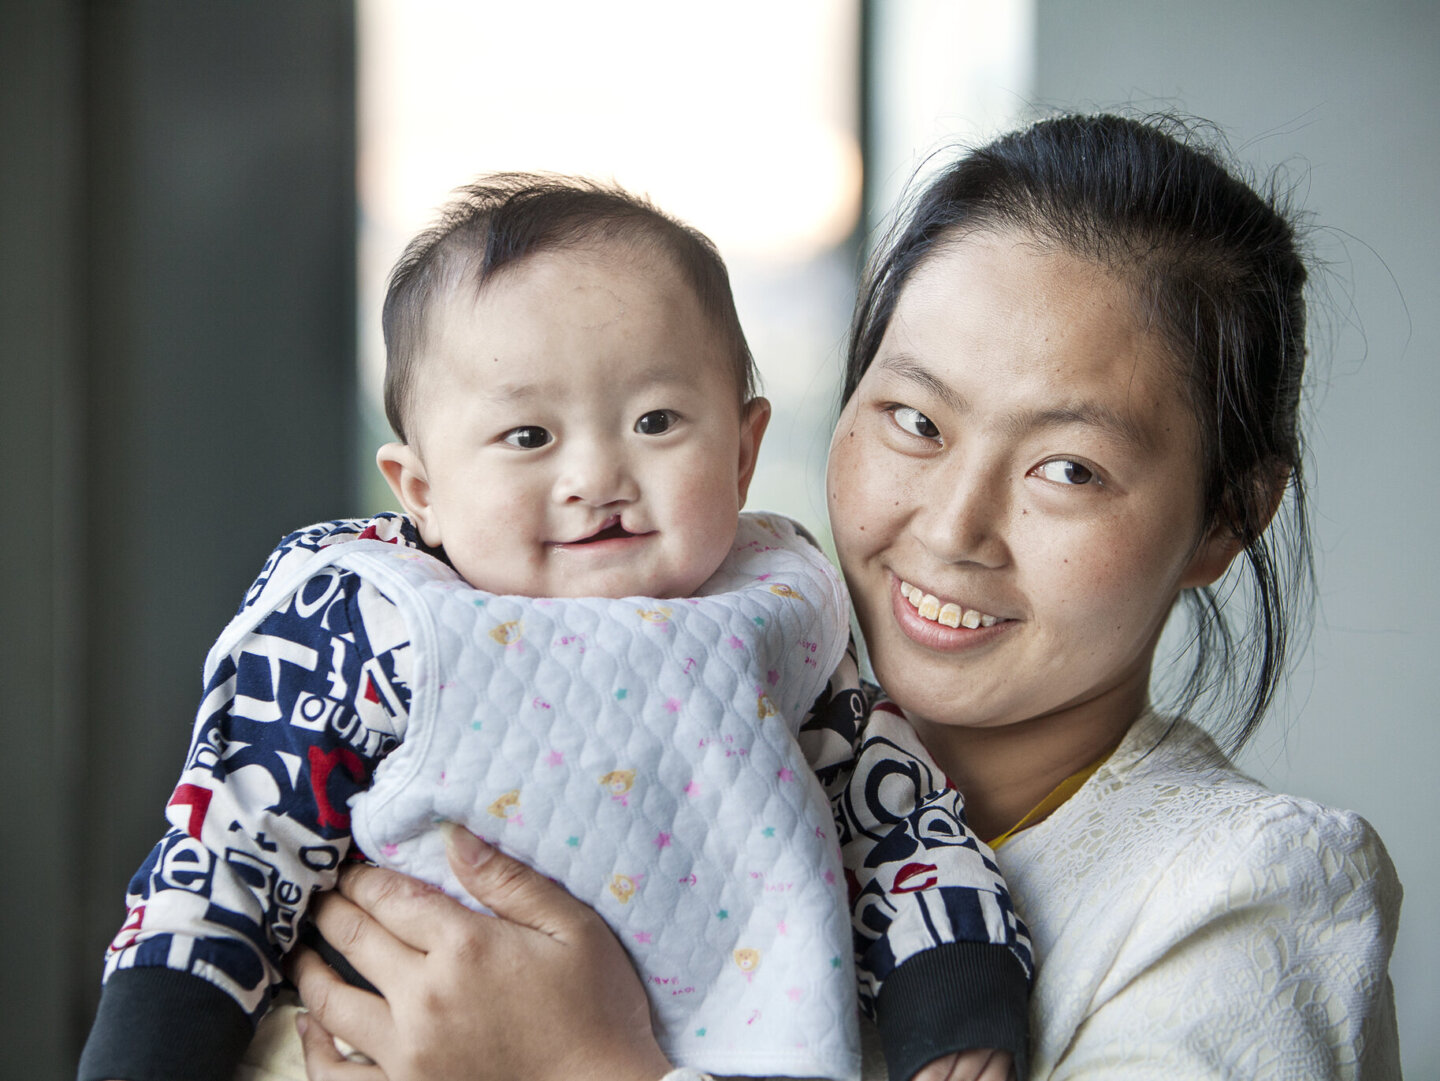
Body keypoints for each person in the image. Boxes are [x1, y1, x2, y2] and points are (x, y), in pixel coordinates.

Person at [284, 114, 1403, 1081]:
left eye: (1069, 468)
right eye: (915, 420)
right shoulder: (650, 737)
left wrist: (590, 1065)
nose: (952, 526)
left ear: (1227, 520)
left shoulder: (1248, 894)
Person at [78, 177, 1033, 1081]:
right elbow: (237, 832)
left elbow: (896, 818)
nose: (596, 476)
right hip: (376, 1042)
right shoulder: (373, 618)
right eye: (529, 437)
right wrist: (155, 1034)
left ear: (744, 453)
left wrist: (954, 989)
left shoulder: (776, 612)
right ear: (423, 491)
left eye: (657, 420)